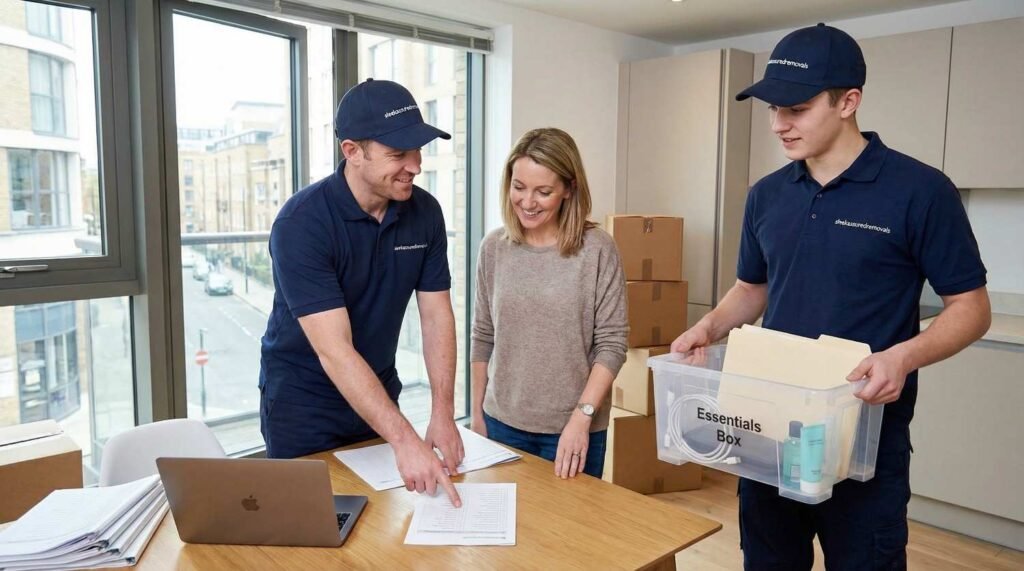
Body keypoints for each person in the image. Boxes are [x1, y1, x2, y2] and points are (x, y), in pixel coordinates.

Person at [671, 23, 991, 569]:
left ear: (849, 101)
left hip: (861, 438)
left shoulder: (920, 191)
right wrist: (710, 327)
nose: (778, 125)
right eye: (773, 109)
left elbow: (972, 308)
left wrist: (902, 357)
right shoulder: (767, 195)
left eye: (795, 108)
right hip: (768, 428)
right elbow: (753, 288)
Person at [260, 79, 464, 507]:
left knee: (377, 529)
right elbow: (334, 350)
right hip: (305, 406)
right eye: (397, 154)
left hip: (378, 397)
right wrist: (407, 440)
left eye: (417, 151)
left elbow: (436, 316)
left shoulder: (424, 213)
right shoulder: (302, 224)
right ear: (352, 151)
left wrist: (442, 412)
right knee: (312, 529)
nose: (415, 165)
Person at [470, 128, 628, 479]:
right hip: (501, 423)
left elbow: (612, 344)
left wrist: (581, 417)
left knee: (570, 533)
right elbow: (483, 335)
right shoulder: (493, 248)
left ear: (569, 189)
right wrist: (476, 413)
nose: (527, 202)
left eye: (543, 192)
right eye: (519, 187)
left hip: (573, 428)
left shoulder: (597, 249)